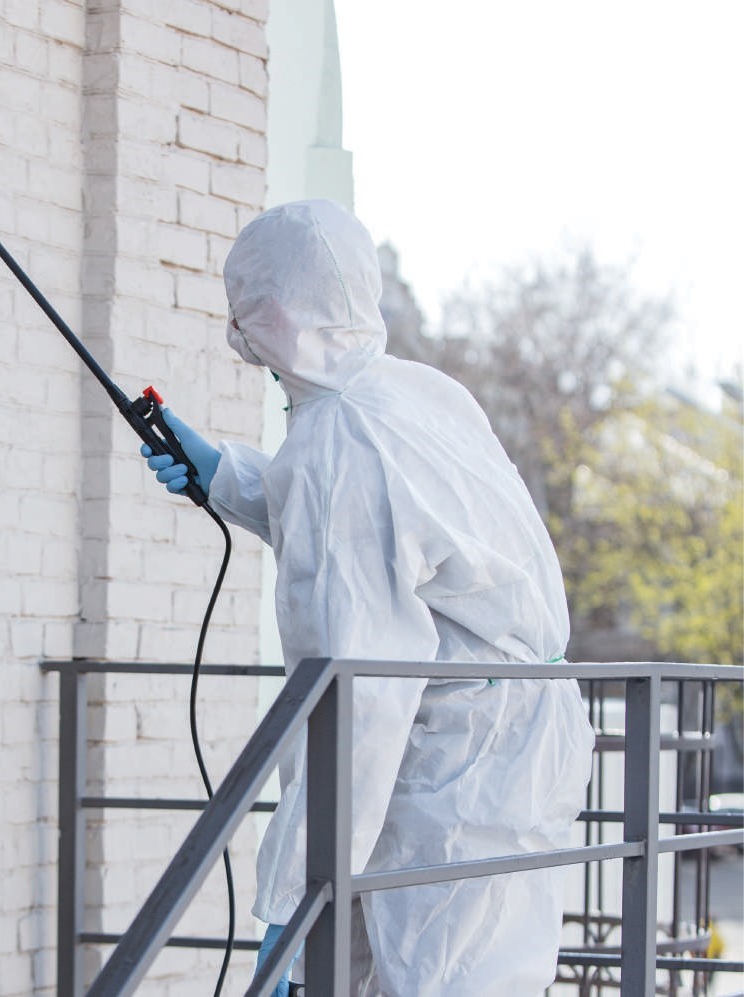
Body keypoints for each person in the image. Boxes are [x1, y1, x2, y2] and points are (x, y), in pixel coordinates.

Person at [141, 200, 595, 996]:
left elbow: (356, 696)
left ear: (269, 312)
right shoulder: (411, 389)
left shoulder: (335, 443)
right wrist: (224, 474)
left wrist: (289, 899)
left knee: (436, 979)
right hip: (517, 728)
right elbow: (386, 539)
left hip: (457, 763)